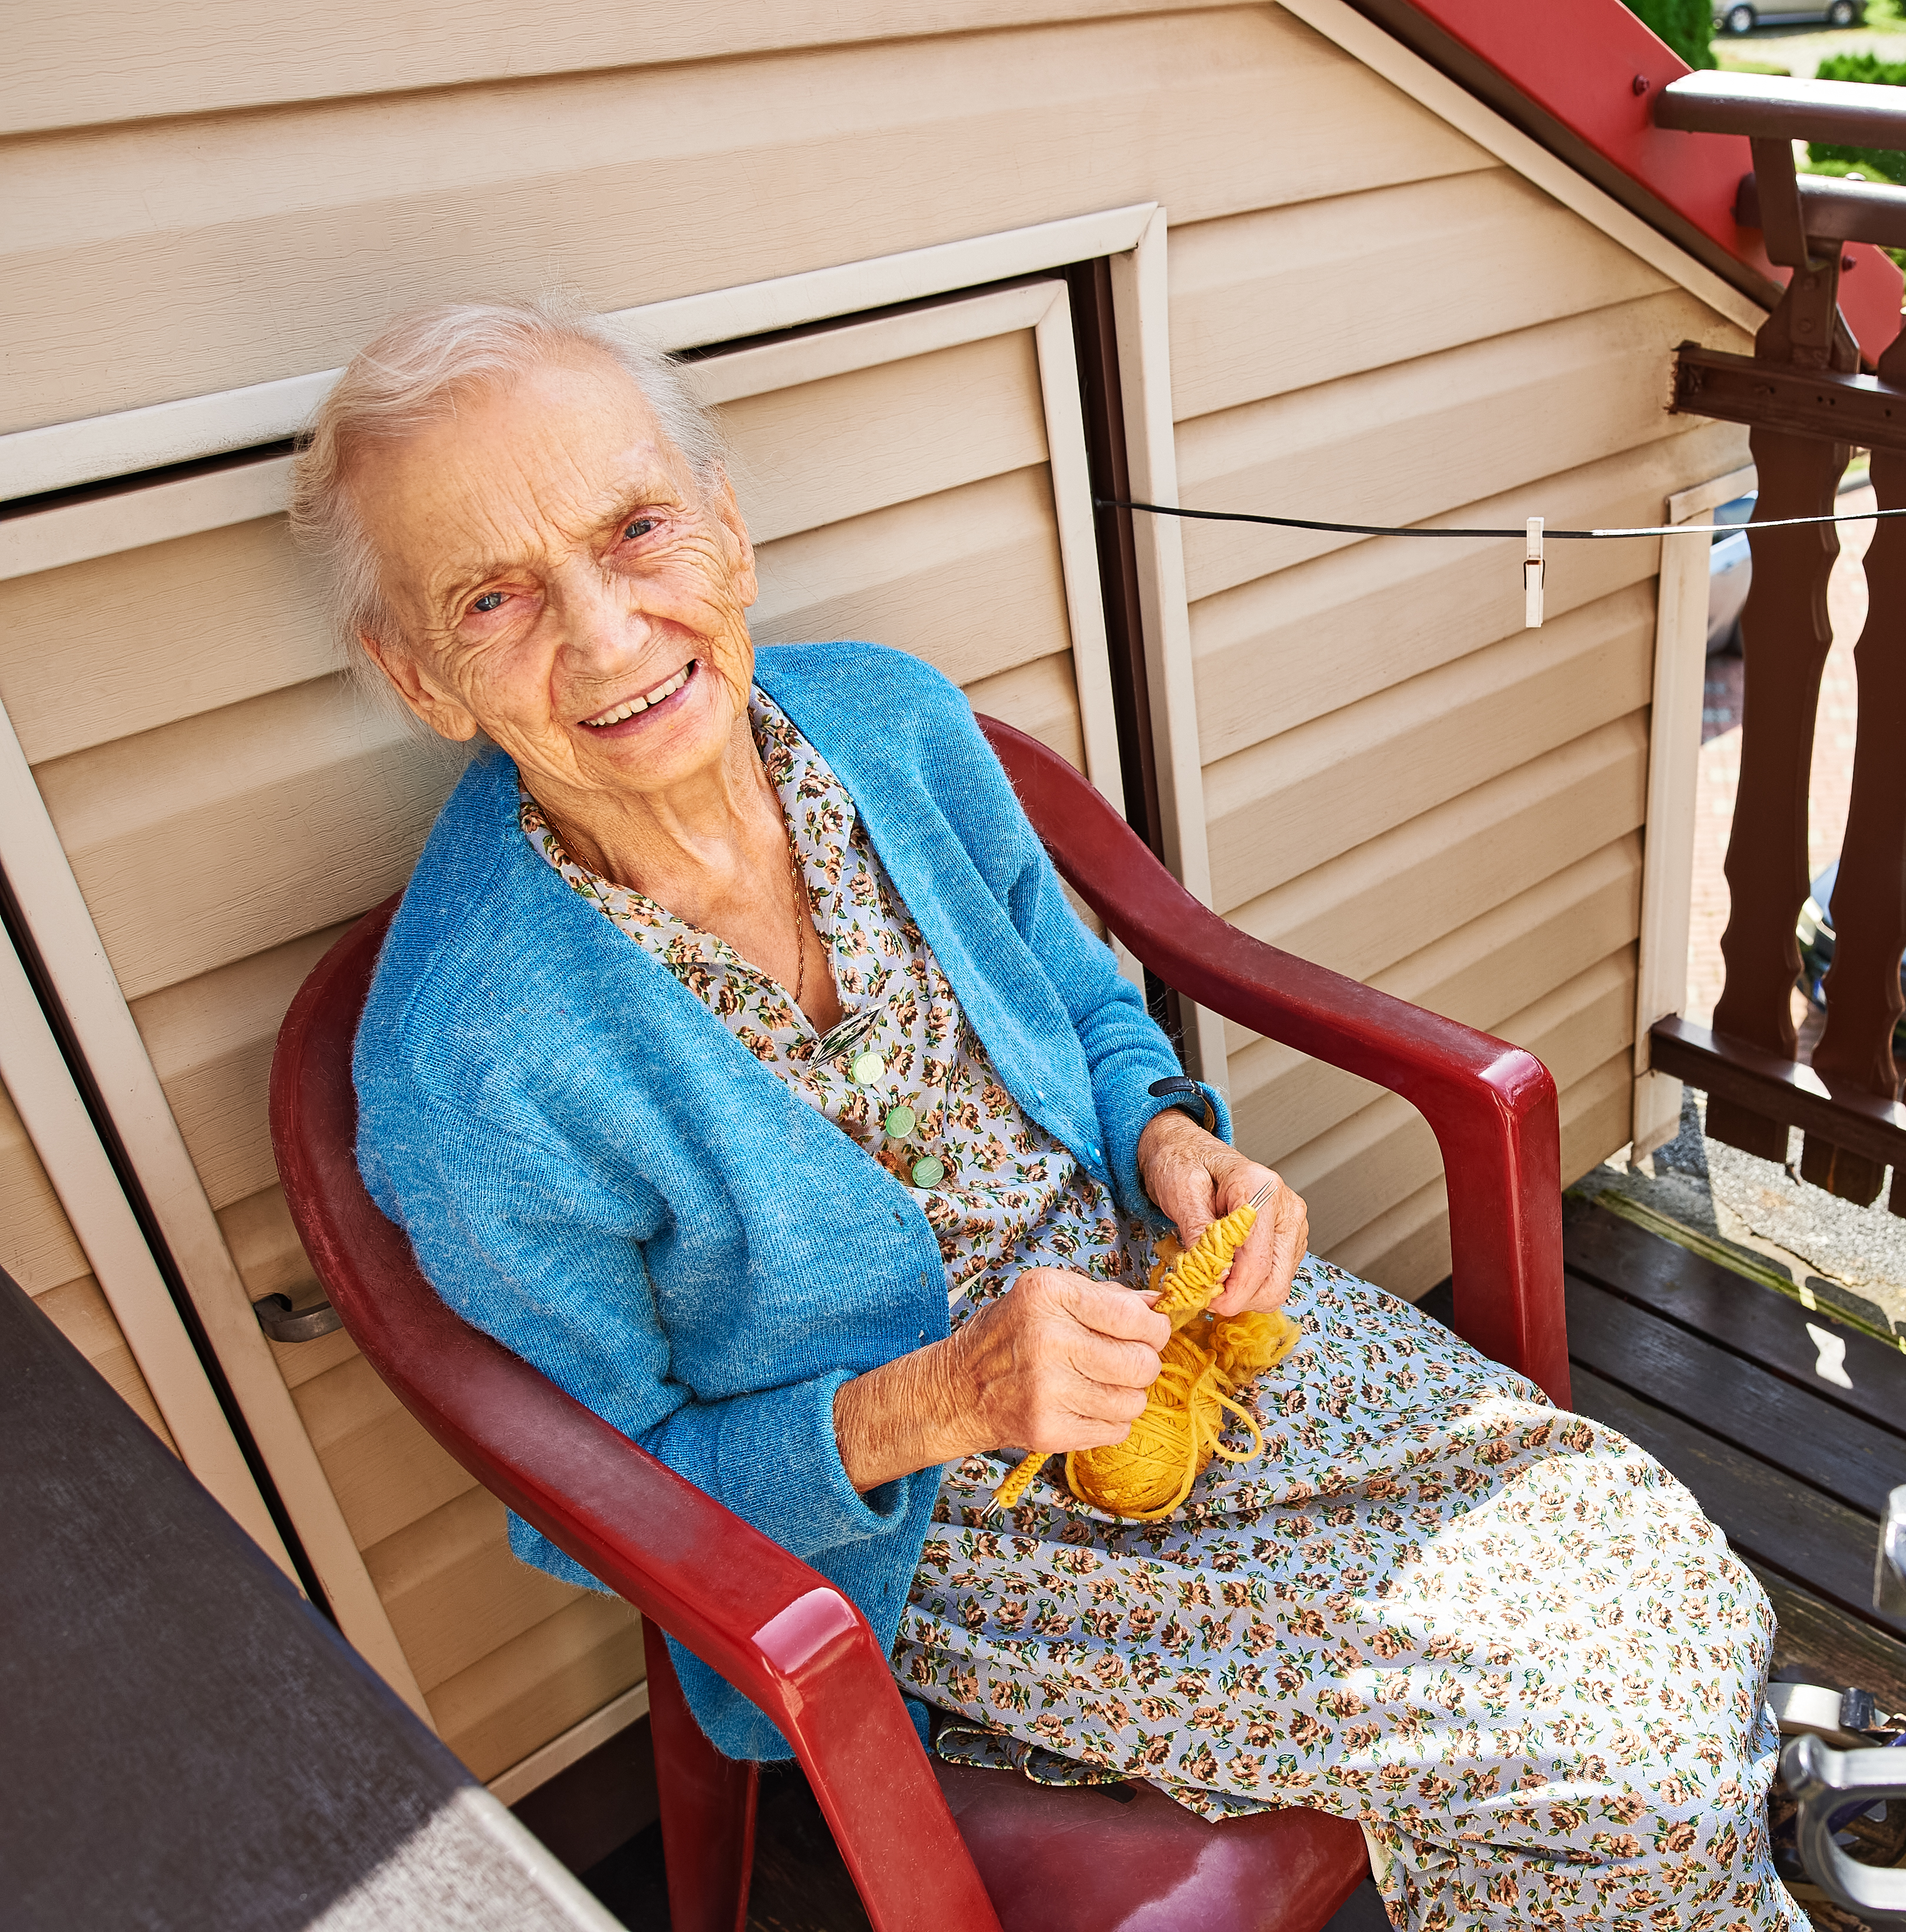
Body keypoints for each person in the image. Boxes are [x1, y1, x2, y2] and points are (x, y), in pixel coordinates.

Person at [305, 295, 1809, 1931]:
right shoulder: (466, 1059)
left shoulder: (888, 719)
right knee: (1608, 1764)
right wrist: (935, 1403)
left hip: (1156, 1320)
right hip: (940, 1523)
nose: (604, 635)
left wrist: (1167, 1137)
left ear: (727, 525)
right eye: (495, 598)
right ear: (418, 676)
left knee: (1651, 1559)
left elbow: (1084, 1005)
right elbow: (600, 1495)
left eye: (638, 527)